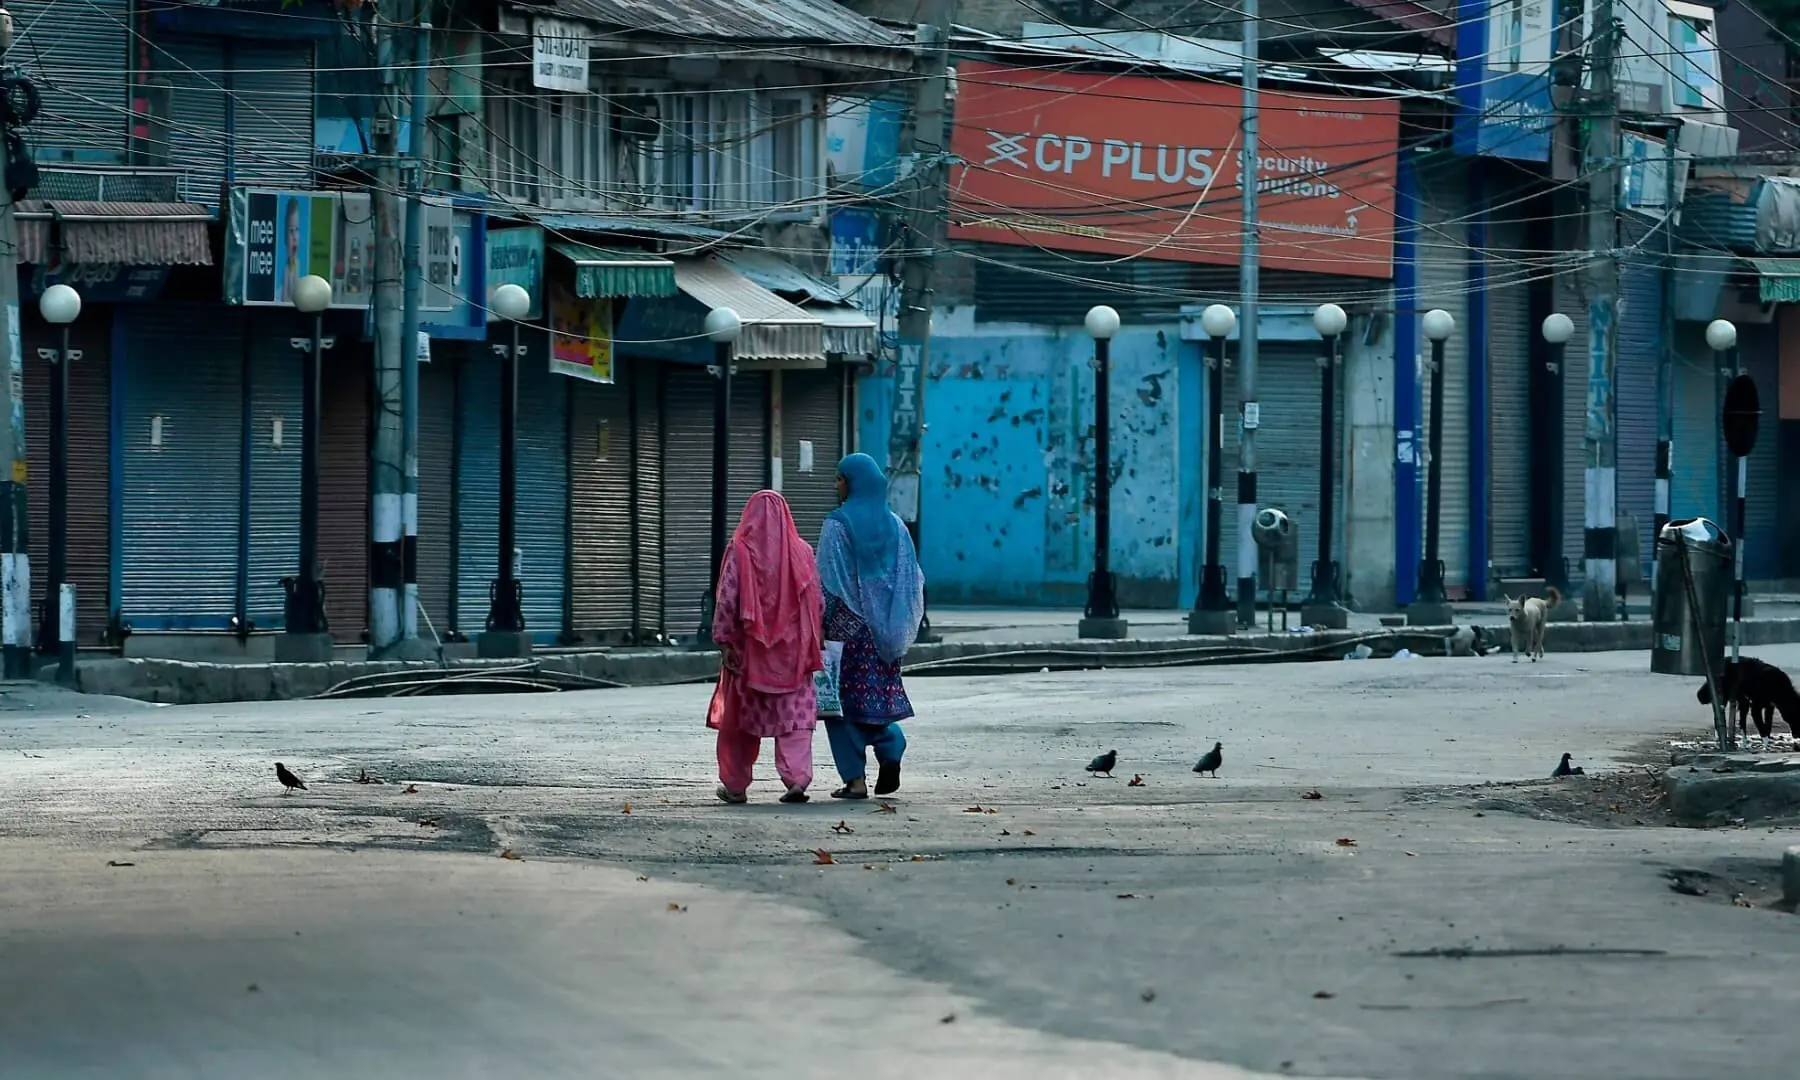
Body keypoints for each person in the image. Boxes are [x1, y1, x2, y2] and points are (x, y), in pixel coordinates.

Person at [817, 453, 925, 800]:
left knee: (839, 706)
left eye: (839, 478)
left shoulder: (837, 524)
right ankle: (892, 744)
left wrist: (819, 624)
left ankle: (855, 780)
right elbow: (909, 579)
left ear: (851, 481)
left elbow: (827, 582)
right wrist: (894, 621)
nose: (836, 485)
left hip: (844, 633)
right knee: (873, 701)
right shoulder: (896, 525)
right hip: (884, 634)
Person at [707, 490, 823, 805]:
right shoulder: (802, 551)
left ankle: (735, 785)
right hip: (794, 658)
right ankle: (797, 781)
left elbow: (727, 599)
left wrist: (724, 639)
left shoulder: (740, 551)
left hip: (750, 655)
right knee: (794, 722)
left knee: (741, 724)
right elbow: (817, 602)